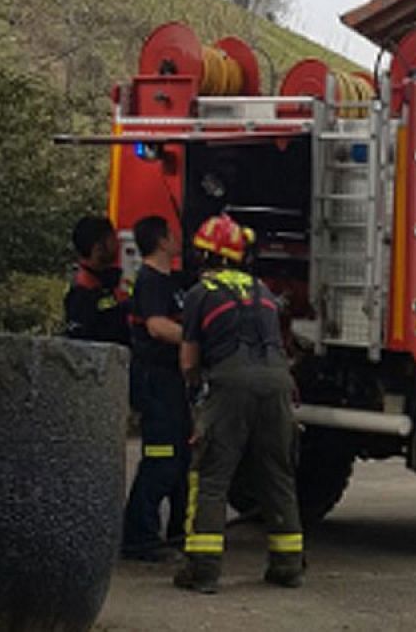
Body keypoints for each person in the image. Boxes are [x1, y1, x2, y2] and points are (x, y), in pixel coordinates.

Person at [174, 214, 304, 594]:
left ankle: (203, 570)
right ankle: (287, 566)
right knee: (277, 475)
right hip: (278, 384)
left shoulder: (201, 293)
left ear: (204, 255)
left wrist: (196, 390)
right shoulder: (262, 291)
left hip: (230, 384)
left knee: (212, 476)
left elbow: (188, 361)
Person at [121, 215, 192, 562]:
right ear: (162, 241)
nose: (178, 238)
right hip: (155, 380)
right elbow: (157, 326)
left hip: (173, 382)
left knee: (181, 458)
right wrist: (197, 340)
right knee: (161, 458)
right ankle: (139, 537)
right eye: (172, 234)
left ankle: (179, 531)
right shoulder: (149, 281)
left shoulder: (170, 282)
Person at [63, 216, 129, 346]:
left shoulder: (111, 279)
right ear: (98, 248)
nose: (118, 244)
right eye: (112, 240)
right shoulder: (80, 297)